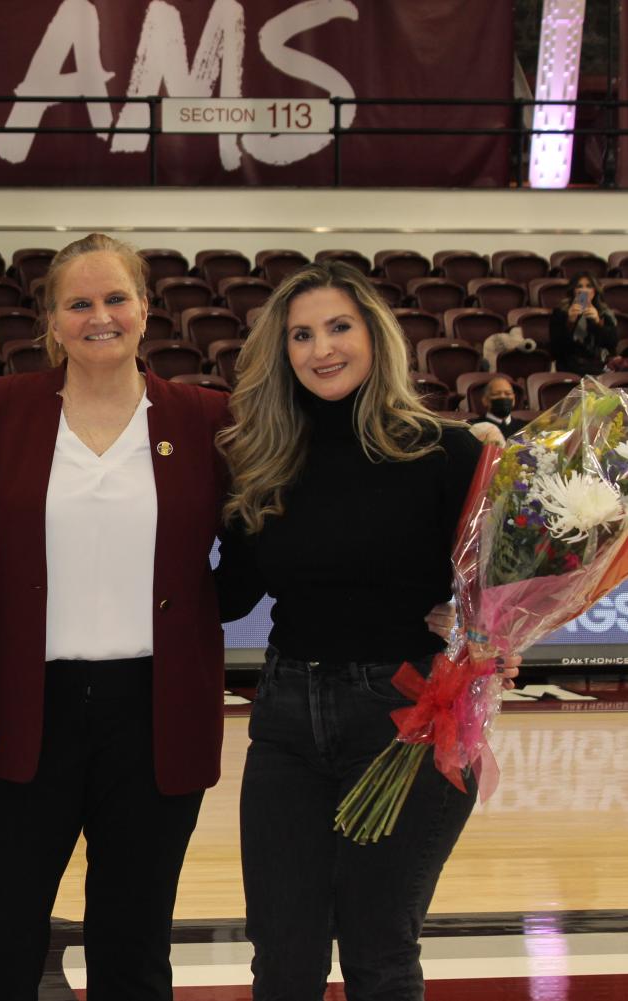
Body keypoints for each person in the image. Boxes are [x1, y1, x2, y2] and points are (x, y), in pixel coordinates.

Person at [214, 261, 513, 1000]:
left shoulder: (449, 452)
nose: (322, 349)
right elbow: (225, 597)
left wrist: (485, 630)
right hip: (283, 719)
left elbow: (500, 592)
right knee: (281, 963)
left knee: (379, 956)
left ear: (374, 335)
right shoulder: (261, 459)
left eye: (338, 327)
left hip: (402, 718)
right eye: (301, 335)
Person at [0, 233, 231, 1001]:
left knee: (132, 942)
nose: (99, 316)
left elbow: (265, 539)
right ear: (50, 320)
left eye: (115, 299)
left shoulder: (206, 417)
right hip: (25, 709)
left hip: (155, 712)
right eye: (78, 303)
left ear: (146, 310)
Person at [549, 272, 617, 376]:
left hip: (599, 366)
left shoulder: (605, 313)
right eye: (579, 286)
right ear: (573, 291)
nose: (583, 290)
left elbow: (611, 346)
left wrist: (598, 323)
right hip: (569, 367)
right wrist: (570, 322)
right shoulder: (560, 313)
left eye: (589, 286)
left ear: (595, 291)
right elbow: (556, 350)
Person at [468, 375, 524, 446]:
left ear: (514, 399)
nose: (503, 397)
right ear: (485, 400)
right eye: (496, 394)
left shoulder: (524, 427)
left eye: (508, 394)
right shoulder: (474, 426)